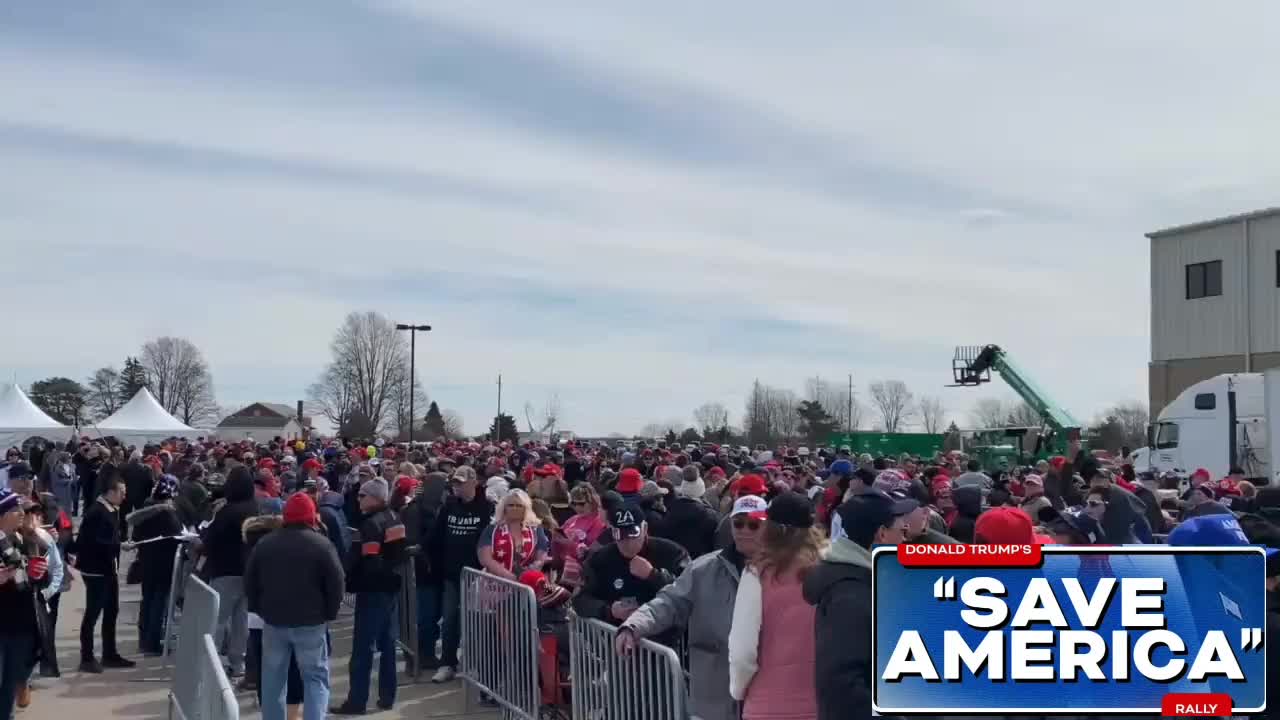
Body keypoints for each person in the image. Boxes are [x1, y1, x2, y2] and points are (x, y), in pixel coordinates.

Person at [619, 494, 764, 720]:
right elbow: (669, 601)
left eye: (754, 524)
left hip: (765, 688)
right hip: (715, 691)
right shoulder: (703, 568)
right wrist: (633, 626)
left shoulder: (782, 570)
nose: (745, 529)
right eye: (738, 523)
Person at [804, 490, 913, 720]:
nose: (905, 540)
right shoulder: (851, 595)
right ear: (882, 534)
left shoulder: (864, 581)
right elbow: (842, 687)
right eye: (901, 531)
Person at [245, 493, 345, 720]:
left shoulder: (265, 543)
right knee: (315, 678)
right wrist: (329, 613)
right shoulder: (322, 545)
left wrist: (260, 608)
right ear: (311, 516)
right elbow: (337, 583)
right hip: (311, 622)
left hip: (274, 621)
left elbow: (250, 582)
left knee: (273, 680)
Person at [728, 492, 820, 719]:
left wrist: (737, 689)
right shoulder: (828, 569)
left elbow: (742, 651)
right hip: (821, 703)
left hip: (768, 704)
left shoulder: (756, 573)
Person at [332, 479, 408, 715]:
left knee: (362, 650)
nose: (358, 498)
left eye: (363, 495)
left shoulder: (371, 525)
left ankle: (357, 701)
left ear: (376, 498)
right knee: (387, 646)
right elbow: (399, 555)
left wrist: (351, 577)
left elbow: (369, 561)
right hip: (391, 589)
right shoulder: (395, 518)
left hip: (373, 592)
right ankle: (387, 697)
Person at [572, 503, 689, 633]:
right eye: (619, 534)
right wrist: (608, 610)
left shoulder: (672, 553)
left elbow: (688, 592)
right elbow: (580, 599)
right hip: (614, 641)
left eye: (633, 532)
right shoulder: (599, 559)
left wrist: (653, 575)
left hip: (663, 638)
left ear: (645, 529)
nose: (626, 541)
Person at [428, 466, 493, 684]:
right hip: (452, 575)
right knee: (449, 622)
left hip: (478, 577)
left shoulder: (487, 508)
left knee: (475, 623)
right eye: (454, 482)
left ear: (474, 481)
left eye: (461, 482)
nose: (457, 486)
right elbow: (435, 535)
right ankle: (447, 663)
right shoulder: (449, 507)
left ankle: (474, 664)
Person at [71, 474, 134, 673]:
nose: (124, 496)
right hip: (96, 570)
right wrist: (119, 545)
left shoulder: (110, 509)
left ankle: (109, 653)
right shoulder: (97, 512)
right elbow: (92, 543)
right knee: (93, 613)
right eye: (122, 492)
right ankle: (87, 657)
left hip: (108, 568)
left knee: (111, 611)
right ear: (110, 492)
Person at [202, 465, 258, 678]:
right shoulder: (255, 509)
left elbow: (211, 538)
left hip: (225, 569)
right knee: (241, 621)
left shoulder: (227, 511)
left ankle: (213, 662)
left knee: (218, 619)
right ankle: (238, 663)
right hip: (248, 571)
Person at [0, 489, 51, 720]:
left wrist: (40, 573)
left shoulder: (22, 539)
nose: (21, 513)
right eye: (14, 510)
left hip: (21, 625)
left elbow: (40, 577)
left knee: (10, 686)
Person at [125, 474, 183, 656]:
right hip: (163, 562)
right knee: (159, 603)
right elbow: (176, 534)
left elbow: (135, 534)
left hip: (146, 560)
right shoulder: (167, 512)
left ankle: (144, 640)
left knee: (147, 601)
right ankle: (152, 642)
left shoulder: (146, 507)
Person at [478, 489, 549, 580]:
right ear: (504, 508)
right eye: (511, 505)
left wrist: (533, 569)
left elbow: (541, 556)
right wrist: (510, 577)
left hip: (527, 583)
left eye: (519, 505)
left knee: (556, 592)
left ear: (526, 508)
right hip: (494, 584)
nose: (514, 508)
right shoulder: (491, 529)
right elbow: (485, 559)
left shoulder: (536, 529)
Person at [653, 465, 720, 559]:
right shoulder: (711, 516)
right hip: (699, 563)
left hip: (674, 562)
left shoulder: (668, 511)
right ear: (701, 491)